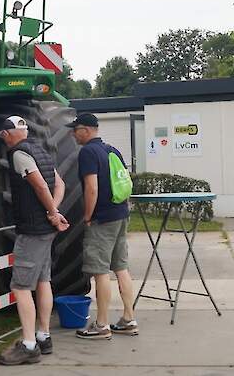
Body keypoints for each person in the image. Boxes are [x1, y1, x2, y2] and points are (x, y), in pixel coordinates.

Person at [0, 115, 70, 366]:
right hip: (45, 230)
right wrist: (55, 212)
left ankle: (28, 346)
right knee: (43, 280)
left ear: (8, 133)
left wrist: (51, 213)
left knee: (20, 287)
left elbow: (39, 185)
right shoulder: (41, 151)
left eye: (2, 135)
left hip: (33, 231)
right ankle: (43, 336)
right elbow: (59, 184)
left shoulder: (19, 154)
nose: (2, 140)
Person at [67, 113, 138, 340]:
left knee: (100, 272)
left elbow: (92, 188)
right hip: (120, 214)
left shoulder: (88, 152)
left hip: (102, 219)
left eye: (75, 129)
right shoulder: (111, 149)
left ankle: (101, 324)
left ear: (85, 130)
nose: (72, 133)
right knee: (121, 268)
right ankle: (129, 319)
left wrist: (87, 216)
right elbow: (124, 181)